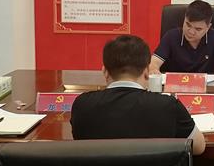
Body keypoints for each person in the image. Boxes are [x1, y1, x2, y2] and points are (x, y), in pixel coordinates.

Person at [70, 34, 206, 154]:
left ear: (105, 72)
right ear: (146, 72)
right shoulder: (168, 106)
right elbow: (198, 147)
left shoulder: (82, 105)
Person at [150, 0, 214, 79]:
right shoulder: (171, 36)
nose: (191, 32)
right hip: (176, 86)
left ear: (208, 27)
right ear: (184, 19)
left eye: (198, 29)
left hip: (207, 87)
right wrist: (153, 69)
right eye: (188, 25)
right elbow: (154, 62)